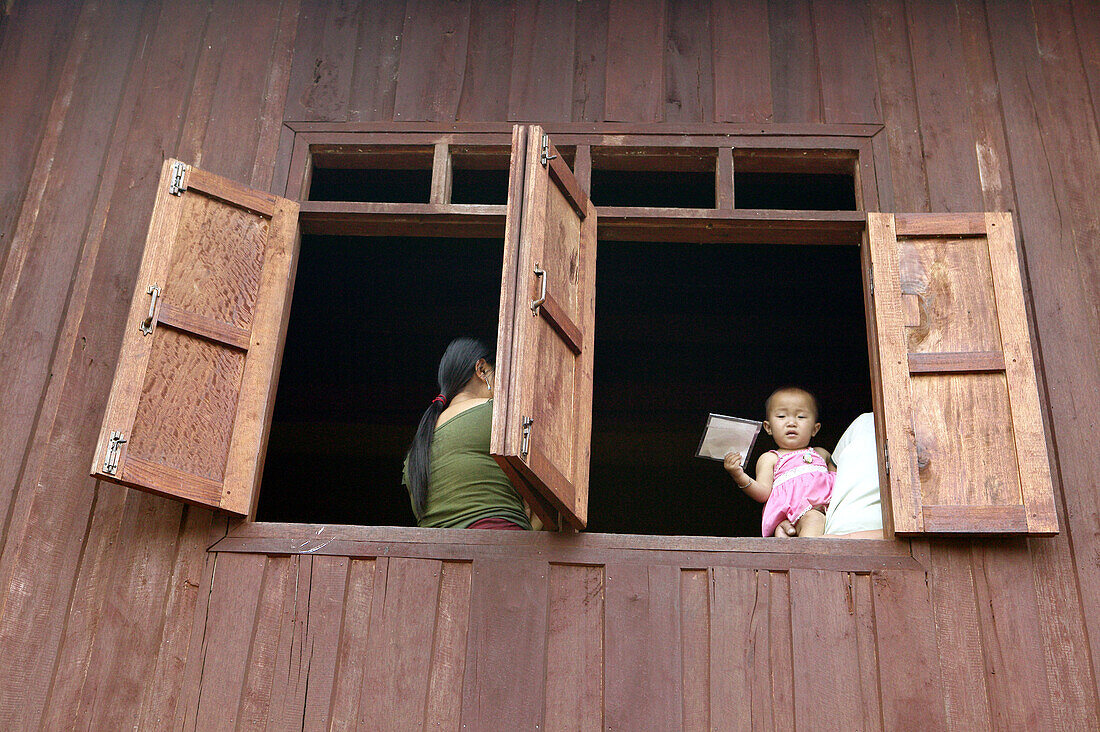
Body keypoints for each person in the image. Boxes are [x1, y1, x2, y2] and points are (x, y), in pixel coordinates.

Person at [402, 337, 532, 530]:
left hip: (438, 557)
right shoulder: (498, 414)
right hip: (501, 547)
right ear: (481, 369)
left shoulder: (418, 446)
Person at [724, 386, 835, 537]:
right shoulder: (771, 458)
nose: (791, 422)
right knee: (813, 519)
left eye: (801, 417)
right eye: (782, 416)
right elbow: (763, 493)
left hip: (833, 513)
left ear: (815, 429)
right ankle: (807, 559)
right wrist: (738, 474)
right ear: (768, 427)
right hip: (797, 516)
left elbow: (843, 481)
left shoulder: (821, 454)